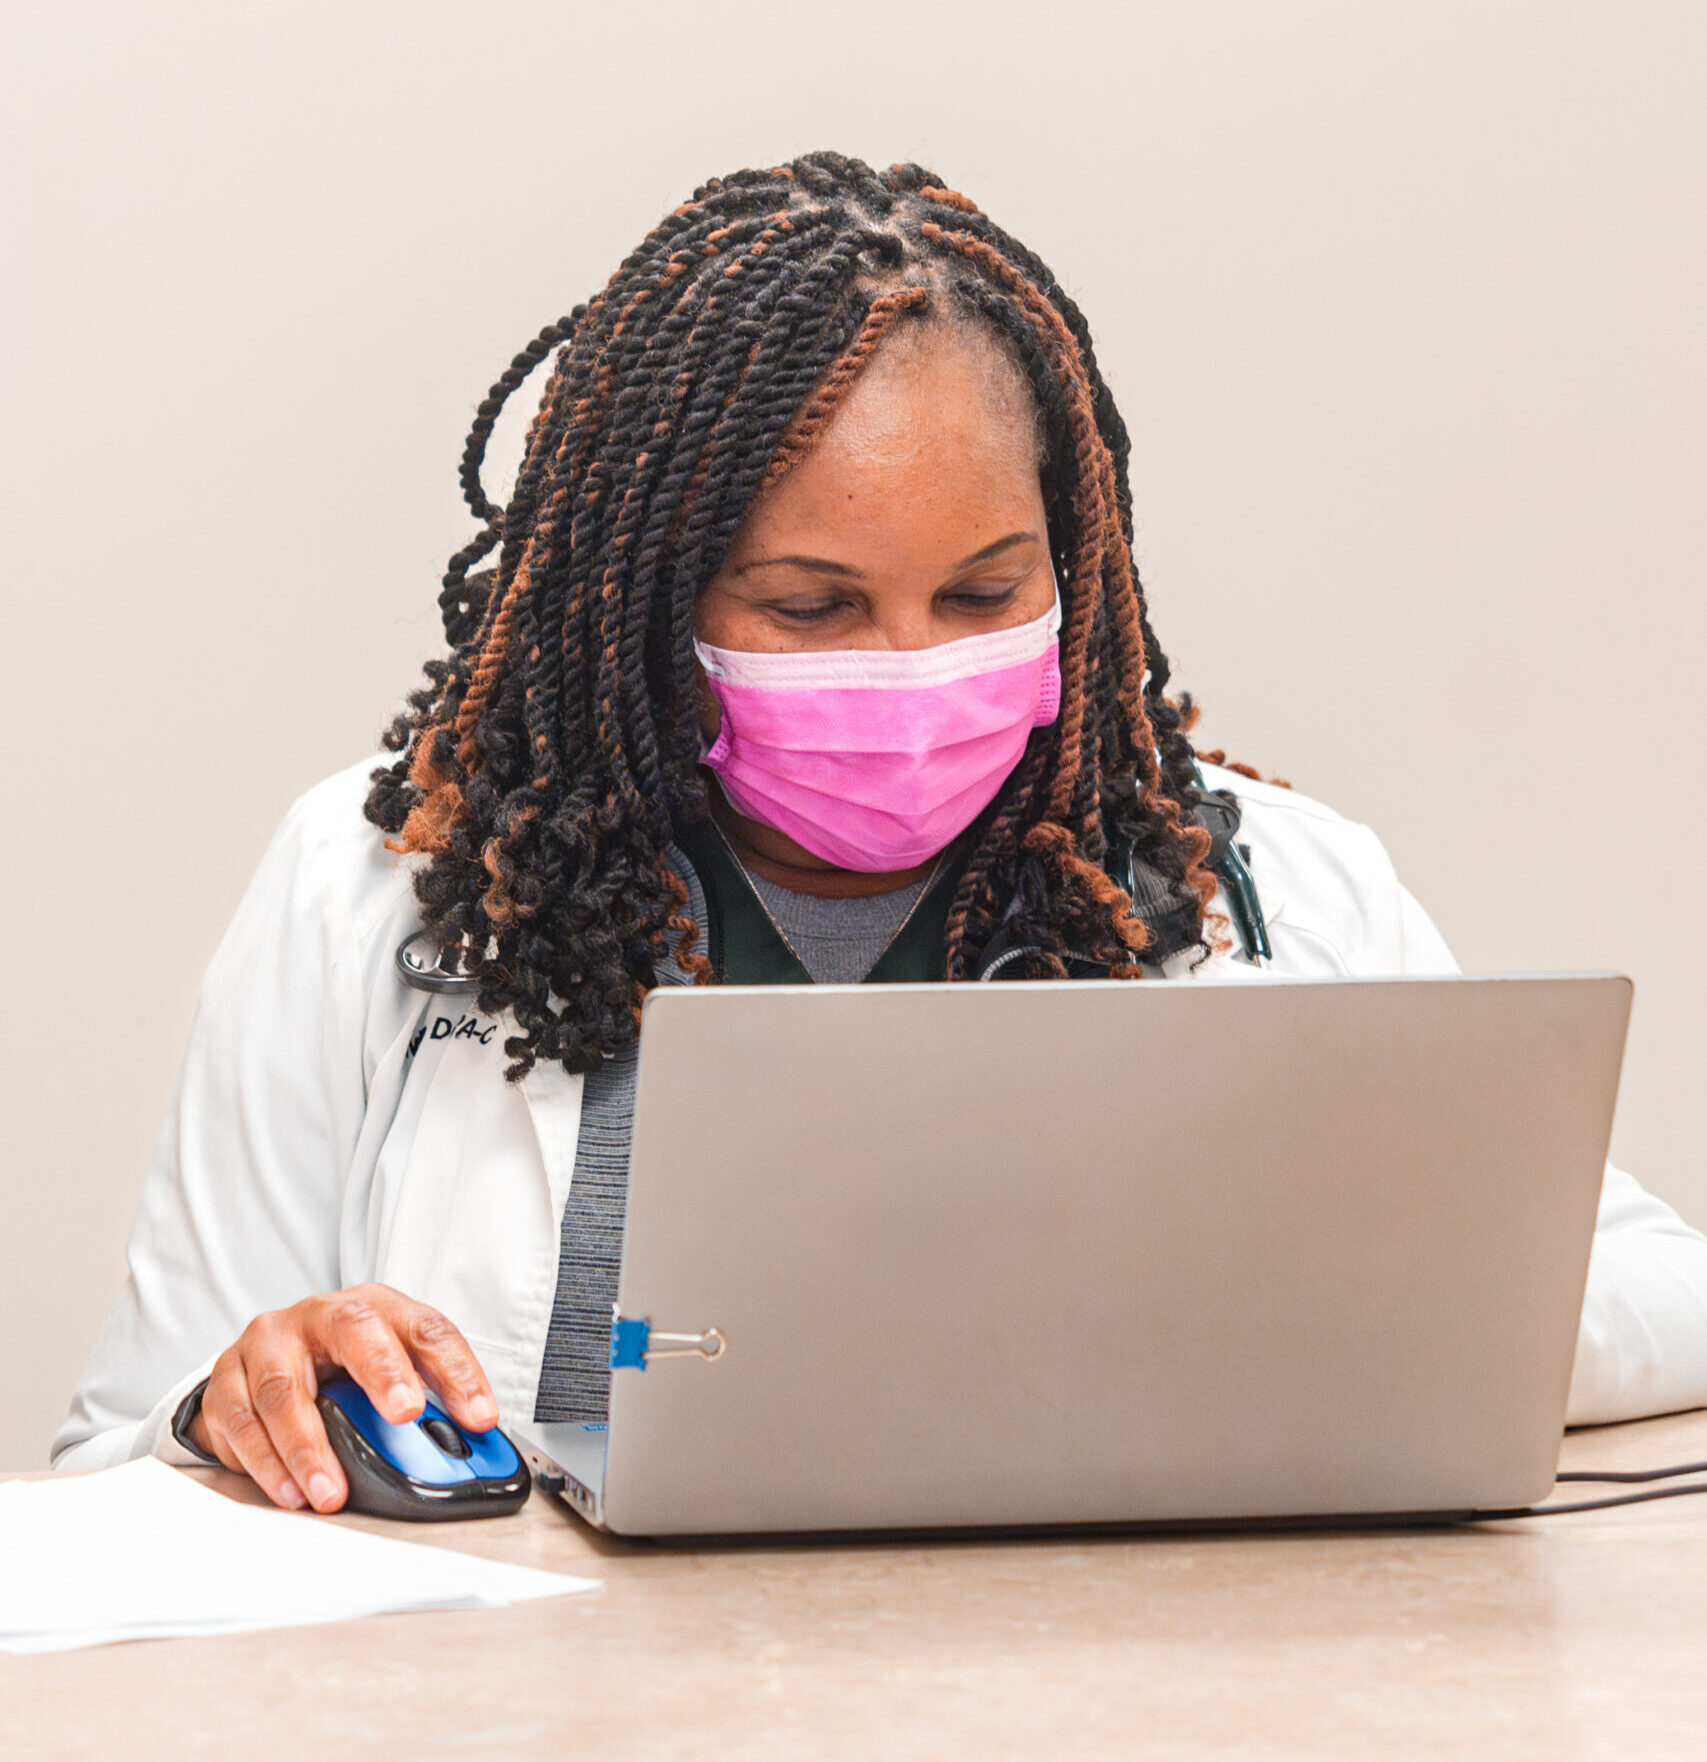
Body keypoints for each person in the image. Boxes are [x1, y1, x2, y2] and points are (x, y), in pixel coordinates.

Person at [54, 153, 1707, 1511]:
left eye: (986, 594)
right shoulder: (376, 896)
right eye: (812, 606)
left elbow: (1665, 1299)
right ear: (648, 606)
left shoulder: (1268, 893)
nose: (913, 672)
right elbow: (114, 1460)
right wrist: (234, 1401)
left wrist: (1333, 1306)